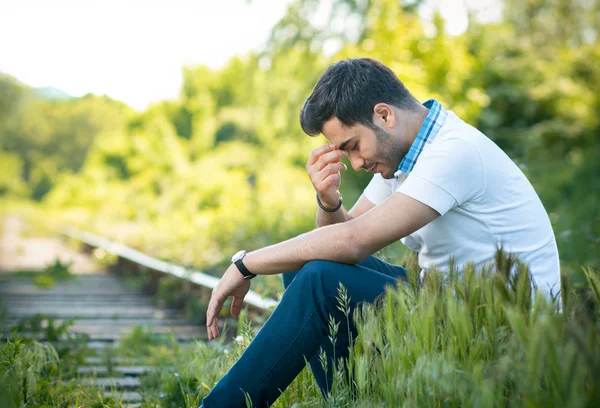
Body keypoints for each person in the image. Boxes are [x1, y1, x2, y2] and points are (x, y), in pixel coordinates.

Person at [199, 58, 560, 407]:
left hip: (498, 326)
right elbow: (338, 238)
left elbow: (353, 243)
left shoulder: (454, 152)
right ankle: (345, 402)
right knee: (304, 266)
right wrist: (328, 201)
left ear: (384, 115)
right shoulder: (404, 155)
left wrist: (246, 264)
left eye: (353, 146)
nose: (355, 164)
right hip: (445, 300)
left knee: (320, 281)